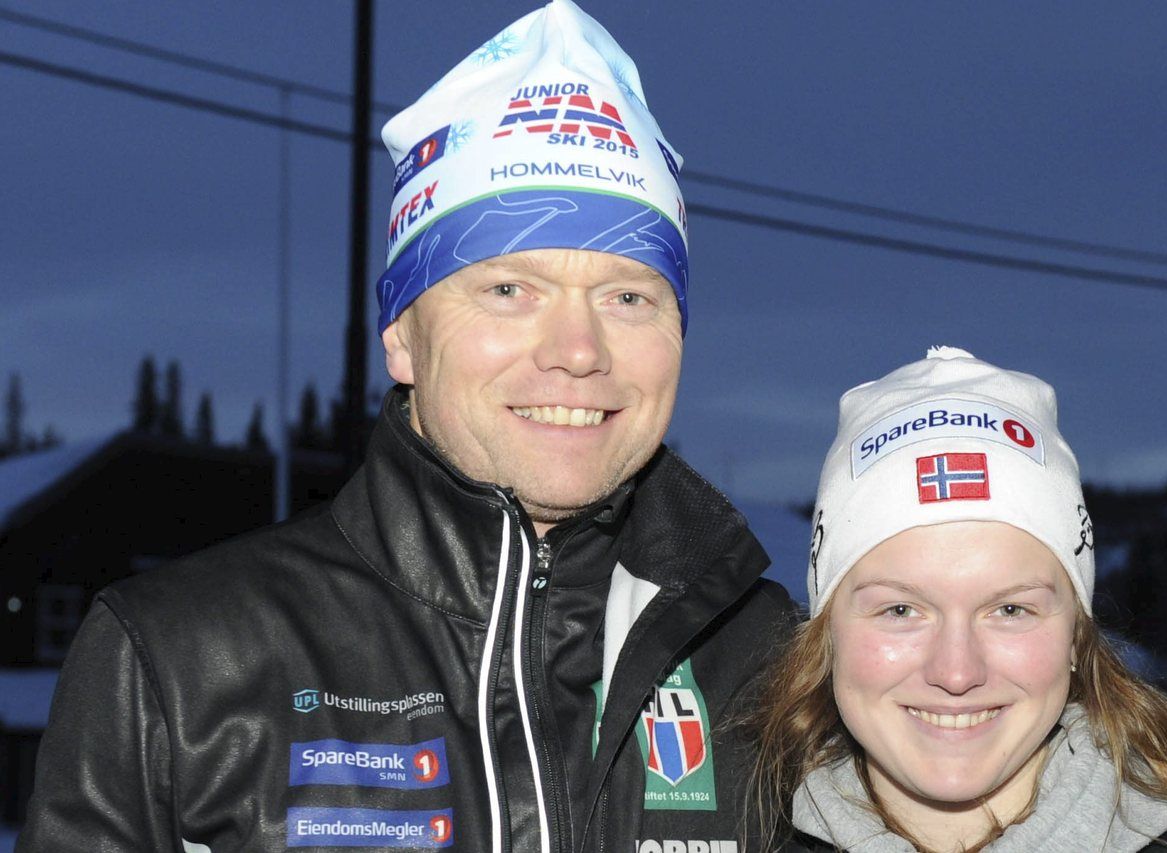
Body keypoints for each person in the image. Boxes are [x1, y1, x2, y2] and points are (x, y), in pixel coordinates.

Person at [19, 2, 793, 851]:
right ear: (401, 337)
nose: (578, 350)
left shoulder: (773, 662)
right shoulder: (178, 662)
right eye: (509, 290)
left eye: (629, 297)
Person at [749, 347, 1167, 852]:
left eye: (1009, 610)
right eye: (900, 610)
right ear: (827, 633)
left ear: (1076, 636)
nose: (957, 673)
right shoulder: (739, 830)